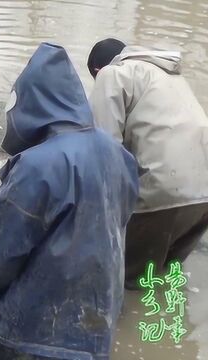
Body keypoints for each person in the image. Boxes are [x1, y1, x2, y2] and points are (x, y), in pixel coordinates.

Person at [0, 43, 139, 360]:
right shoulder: (120, 155)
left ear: (31, 103)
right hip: (97, 323)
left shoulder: (36, 166)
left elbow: (3, 247)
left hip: (35, 331)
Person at [88, 38, 208, 289]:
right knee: (164, 280)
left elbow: (105, 148)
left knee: (127, 283)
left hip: (161, 194)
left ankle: (130, 327)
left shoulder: (112, 74)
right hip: (202, 197)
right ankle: (175, 326)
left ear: (98, 72)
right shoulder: (171, 77)